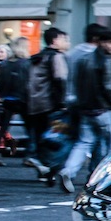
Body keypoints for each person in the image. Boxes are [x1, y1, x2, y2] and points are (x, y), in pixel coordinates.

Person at [58, 29, 111, 194]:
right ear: (103, 42)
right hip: (102, 109)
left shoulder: (82, 59)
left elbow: (74, 83)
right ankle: (105, 178)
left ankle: (68, 171)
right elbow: (107, 86)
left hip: (85, 109)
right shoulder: (103, 60)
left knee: (84, 142)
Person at [28, 27, 70, 181]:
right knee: (57, 138)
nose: (67, 42)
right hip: (52, 105)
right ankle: (50, 168)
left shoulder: (36, 57)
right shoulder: (56, 57)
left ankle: (42, 168)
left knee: (41, 136)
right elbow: (61, 80)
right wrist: (63, 103)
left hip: (34, 104)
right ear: (55, 40)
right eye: (65, 39)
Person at [0, 37, 37, 167]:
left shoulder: (6, 64)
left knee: (3, 128)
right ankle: (30, 155)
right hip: (22, 99)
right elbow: (29, 82)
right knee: (31, 128)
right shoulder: (27, 63)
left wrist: (2, 95)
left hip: (8, 99)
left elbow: (1, 82)